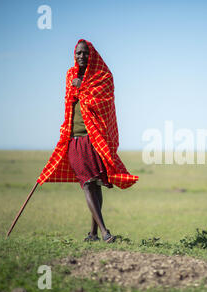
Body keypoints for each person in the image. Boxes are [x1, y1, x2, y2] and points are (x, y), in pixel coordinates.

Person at [37, 39, 138, 243]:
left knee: (95, 184)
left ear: (92, 56)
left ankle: (95, 233)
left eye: (85, 53)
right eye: (78, 53)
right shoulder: (70, 76)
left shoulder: (102, 77)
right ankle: (103, 232)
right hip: (73, 138)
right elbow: (68, 104)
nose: (81, 56)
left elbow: (103, 101)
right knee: (87, 183)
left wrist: (82, 87)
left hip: (93, 137)